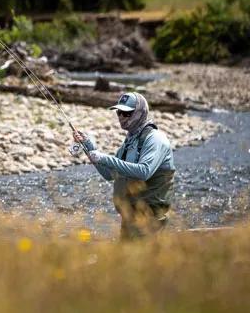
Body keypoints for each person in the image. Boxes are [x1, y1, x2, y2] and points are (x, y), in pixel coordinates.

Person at [73, 92, 175, 239]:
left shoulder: (155, 139)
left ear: (140, 112)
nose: (121, 116)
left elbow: (144, 171)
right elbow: (110, 174)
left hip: (150, 221)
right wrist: (88, 145)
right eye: (119, 112)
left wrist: (103, 158)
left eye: (127, 113)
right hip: (130, 219)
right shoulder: (131, 140)